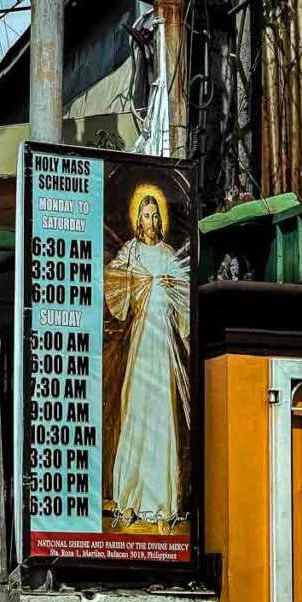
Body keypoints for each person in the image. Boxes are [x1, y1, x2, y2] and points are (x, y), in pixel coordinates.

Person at [104, 192, 191, 533]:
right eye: (146, 215)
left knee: (162, 415)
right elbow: (113, 283)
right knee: (137, 413)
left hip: (163, 345)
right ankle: (130, 500)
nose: (151, 222)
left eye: (156, 216)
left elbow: (183, 297)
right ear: (138, 219)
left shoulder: (169, 255)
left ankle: (161, 505)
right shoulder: (131, 252)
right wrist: (132, 283)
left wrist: (171, 290)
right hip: (140, 343)